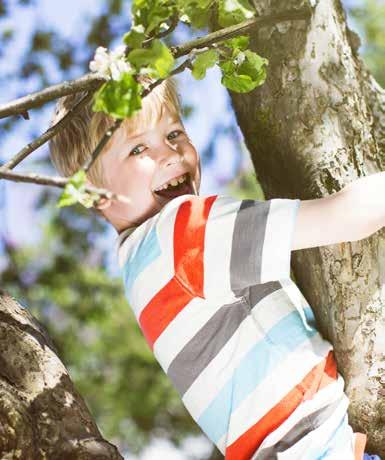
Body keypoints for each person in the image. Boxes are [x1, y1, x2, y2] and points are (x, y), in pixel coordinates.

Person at [49, 75, 382, 459]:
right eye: (138, 148)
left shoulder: (140, 267)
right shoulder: (179, 232)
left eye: (174, 133)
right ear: (94, 195)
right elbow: (344, 217)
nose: (170, 154)